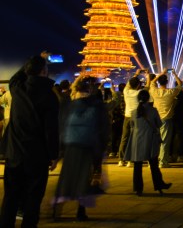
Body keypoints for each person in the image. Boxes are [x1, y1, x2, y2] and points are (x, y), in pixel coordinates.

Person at [0, 54, 60, 228]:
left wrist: (33, 60)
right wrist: (53, 154)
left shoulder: (17, 89)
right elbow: (51, 129)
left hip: (15, 153)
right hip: (37, 155)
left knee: (11, 196)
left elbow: (15, 77)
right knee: (34, 198)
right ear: (44, 71)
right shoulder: (49, 96)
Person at [52, 76, 110, 221]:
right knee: (84, 179)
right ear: (89, 90)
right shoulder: (96, 105)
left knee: (66, 179)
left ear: (75, 90)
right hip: (88, 146)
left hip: (71, 145)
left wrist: (58, 150)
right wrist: (101, 148)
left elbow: (61, 126)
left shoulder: (69, 105)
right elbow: (103, 128)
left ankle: (57, 210)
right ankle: (80, 211)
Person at [126, 89, 172, 196]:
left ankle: (138, 189)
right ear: (148, 99)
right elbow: (159, 124)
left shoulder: (133, 112)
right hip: (150, 140)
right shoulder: (153, 111)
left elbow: (132, 126)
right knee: (153, 165)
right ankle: (159, 185)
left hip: (137, 141)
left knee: (137, 166)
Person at [150, 69, 183, 167]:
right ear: (167, 82)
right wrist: (174, 73)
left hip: (155, 119)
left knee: (154, 141)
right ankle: (162, 162)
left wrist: (161, 73)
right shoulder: (171, 92)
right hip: (166, 119)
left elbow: (152, 82)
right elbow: (180, 84)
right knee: (164, 141)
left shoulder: (155, 91)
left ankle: (152, 161)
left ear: (159, 82)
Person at [118, 69, 150, 166]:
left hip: (127, 116)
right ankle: (130, 160)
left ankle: (121, 160)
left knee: (124, 138)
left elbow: (129, 83)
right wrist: (147, 75)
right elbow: (148, 87)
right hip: (137, 118)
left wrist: (136, 74)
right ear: (138, 85)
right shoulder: (139, 93)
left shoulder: (126, 91)